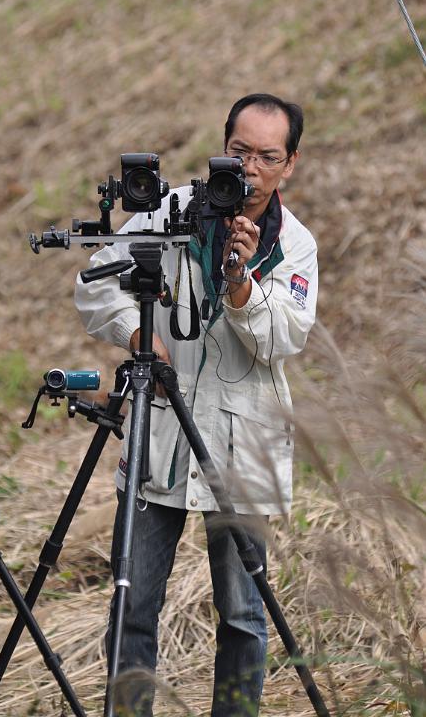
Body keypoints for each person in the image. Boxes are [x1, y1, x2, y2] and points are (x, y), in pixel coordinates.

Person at [74, 93, 318, 716]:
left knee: (241, 613)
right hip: (162, 433)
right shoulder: (170, 209)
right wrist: (137, 332)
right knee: (133, 604)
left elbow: (283, 339)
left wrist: (241, 282)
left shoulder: (295, 246)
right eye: (240, 152)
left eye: (268, 156)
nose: (251, 169)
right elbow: (94, 279)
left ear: (290, 163)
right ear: (222, 147)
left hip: (248, 444)